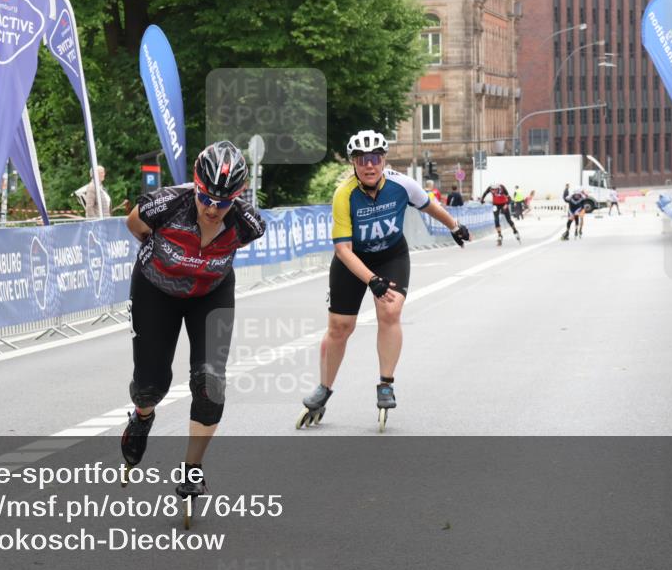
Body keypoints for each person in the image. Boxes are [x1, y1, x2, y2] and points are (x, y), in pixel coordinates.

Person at [296, 130, 470, 431]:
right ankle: (324, 388)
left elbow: (429, 206)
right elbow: (342, 249)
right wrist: (371, 279)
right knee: (340, 327)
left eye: (375, 158)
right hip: (353, 261)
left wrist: (455, 226)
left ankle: (386, 383)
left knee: (390, 311)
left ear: (383, 160)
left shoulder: (402, 184)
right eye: (362, 160)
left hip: (391, 255)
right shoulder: (344, 194)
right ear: (353, 163)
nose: (369, 166)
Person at [120, 141, 265, 499]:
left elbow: (235, 245)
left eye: (223, 202)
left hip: (211, 294)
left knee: (210, 385)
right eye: (206, 198)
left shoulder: (249, 224)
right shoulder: (167, 203)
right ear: (196, 186)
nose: (213, 209)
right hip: (156, 289)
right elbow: (134, 225)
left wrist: (200, 266)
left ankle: (193, 470)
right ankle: (142, 416)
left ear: (238, 196)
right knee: (151, 385)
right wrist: (165, 258)